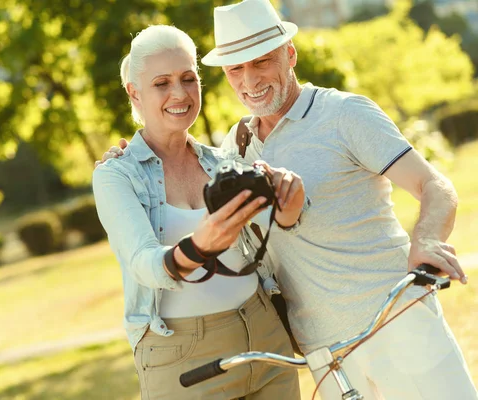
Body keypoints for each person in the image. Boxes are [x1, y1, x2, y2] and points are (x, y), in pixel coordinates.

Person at [96, 1, 478, 399]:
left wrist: (429, 239)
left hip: (397, 320)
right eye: (235, 69)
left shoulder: (345, 114)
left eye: (261, 62)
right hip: (322, 353)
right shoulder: (233, 150)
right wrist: (124, 160)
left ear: (290, 54)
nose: (250, 80)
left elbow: (434, 186)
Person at [92, 24, 306, 400]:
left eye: (188, 79)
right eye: (162, 83)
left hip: (263, 333)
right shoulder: (116, 175)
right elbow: (143, 262)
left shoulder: (224, 159)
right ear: (134, 92)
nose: (180, 93)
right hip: (182, 357)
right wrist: (199, 247)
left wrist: (288, 208)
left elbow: (270, 237)